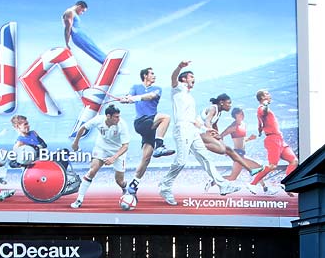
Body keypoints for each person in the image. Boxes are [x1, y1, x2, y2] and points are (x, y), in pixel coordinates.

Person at [157, 60, 241, 205]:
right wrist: (180, 67)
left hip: (193, 129)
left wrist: (206, 129)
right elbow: (173, 78)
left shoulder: (190, 97)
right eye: (191, 76)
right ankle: (165, 186)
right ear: (183, 79)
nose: (193, 79)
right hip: (182, 129)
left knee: (205, 157)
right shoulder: (177, 89)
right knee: (181, 161)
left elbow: (194, 121)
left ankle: (223, 185)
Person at [119, 67, 174, 199]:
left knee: (146, 158)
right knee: (165, 117)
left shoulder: (157, 89)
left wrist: (134, 98)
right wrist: (127, 98)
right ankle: (159, 145)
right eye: (152, 74)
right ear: (145, 76)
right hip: (141, 123)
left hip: (151, 125)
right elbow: (130, 95)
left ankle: (134, 184)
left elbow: (150, 96)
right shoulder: (136, 87)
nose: (154, 76)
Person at [69, 104, 130, 209]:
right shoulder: (98, 120)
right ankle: (79, 199)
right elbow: (83, 128)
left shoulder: (122, 125)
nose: (118, 119)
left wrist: (113, 158)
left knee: (119, 181)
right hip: (101, 148)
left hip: (118, 151)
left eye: (119, 116)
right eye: (116, 117)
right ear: (108, 116)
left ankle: (125, 188)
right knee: (92, 170)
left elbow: (125, 146)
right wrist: (76, 142)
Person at [198, 94, 263, 180]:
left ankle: (250, 170)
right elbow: (207, 121)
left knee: (228, 149)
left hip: (206, 131)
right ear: (221, 102)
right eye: (228, 103)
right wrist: (211, 131)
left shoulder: (219, 112)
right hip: (199, 132)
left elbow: (214, 124)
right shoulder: (213, 108)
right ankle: (197, 144)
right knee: (223, 150)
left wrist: (217, 135)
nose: (230, 105)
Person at [251, 88, 299, 192]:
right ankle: (253, 184)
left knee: (294, 161)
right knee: (272, 166)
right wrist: (265, 104)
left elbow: (260, 125)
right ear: (262, 97)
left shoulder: (264, 110)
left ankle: (285, 184)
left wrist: (260, 131)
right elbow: (263, 111)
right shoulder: (261, 108)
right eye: (267, 94)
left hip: (280, 139)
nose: (270, 95)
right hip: (273, 139)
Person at [220, 107, 259, 181]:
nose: (243, 115)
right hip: (237, 153)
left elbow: (242, 140)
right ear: (236, 115)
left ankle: (213, 181)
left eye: (243, 113)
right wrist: (224, 149)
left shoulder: (243, 124)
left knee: (232, 177)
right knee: (258, 167)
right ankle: (264, 187)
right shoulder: (233, 126)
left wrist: (250, 138)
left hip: (242, 153)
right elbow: (220, 136)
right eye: (241, 113)